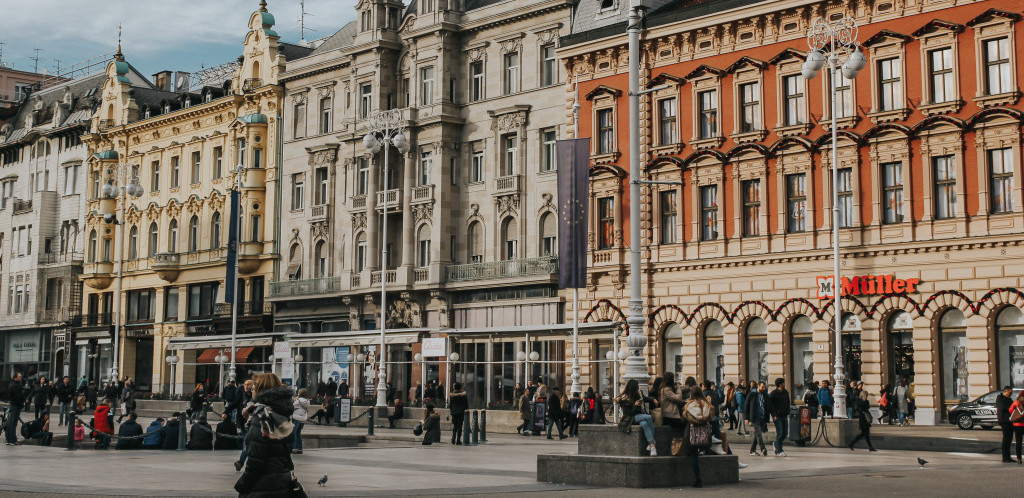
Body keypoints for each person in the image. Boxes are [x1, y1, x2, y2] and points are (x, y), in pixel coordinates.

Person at [234, 372, 302, 498]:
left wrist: (242, 485)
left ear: (260, 391)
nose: (252, 391)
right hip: (283, 484)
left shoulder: (260, 419)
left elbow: (255, 462)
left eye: (254, 388)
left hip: (262, 487)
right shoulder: (283, 416)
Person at [683, 386, 716, 488]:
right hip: (704, 433)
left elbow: (684, 418)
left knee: (692, 454)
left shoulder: (689, 405)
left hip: (692, 433)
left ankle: (698, 479)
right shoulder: (706, 404)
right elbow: (711, 418)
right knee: (698, 452)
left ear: (691, 394)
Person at [617, 379, 658, 456]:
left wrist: (653, 399)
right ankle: (652, 441)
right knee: (648, 417)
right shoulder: (624, 398)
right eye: (637, 387)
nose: (638, 388)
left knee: (645, 424)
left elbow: (646, 398)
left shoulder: (638, 394)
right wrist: (635, 406)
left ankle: (652, 446)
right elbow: (629, 413)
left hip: (639, 416)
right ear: (633, 388)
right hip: (629, 418)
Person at [746, 381, 769, 456]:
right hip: (754, 417)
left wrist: (773, 414)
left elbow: (769, 405)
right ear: (758, 386)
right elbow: (746, 406)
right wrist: (746, 418)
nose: (764, 388)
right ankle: (763, 448)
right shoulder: (752, 394)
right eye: (762, 387)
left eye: (764, 387)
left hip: (762, 417)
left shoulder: (764, 394)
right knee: (759, 433)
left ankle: (752, 450)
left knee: (757, 434)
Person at [768, 378, 790, 457]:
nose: (785, 384)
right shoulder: (773, 393)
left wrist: (788, 411)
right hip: (777, 416)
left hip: (784, 415)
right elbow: (770, 406)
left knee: (785, 433)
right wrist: (773, 415)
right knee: (780, 433)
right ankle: (779, 451)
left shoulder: (786, 392)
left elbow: (788, 402)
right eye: (784, 383)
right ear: (780, 384)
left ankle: (776, 443)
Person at [4, 372, 26, 445]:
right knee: (13, 423)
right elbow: (18, 396)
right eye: (19, 376)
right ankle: (13, 440)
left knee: (10, 423)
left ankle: (8, 439)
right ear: (15, 377)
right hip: (16, 405)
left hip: (13, 405)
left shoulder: (11, 384)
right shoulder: (16, 385)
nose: (21, 378)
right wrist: (22, 404)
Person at [997, 386, 1015, 463]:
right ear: (1005, 391)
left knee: (1009, 439)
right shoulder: (1000, 398)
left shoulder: (1008, 399)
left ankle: (1008, 457)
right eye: (1010, 393)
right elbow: (1004, 408)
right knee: (1006, 439)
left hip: (1010, 421)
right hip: (1004, 421)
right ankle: (1005, 457)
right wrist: (1012, 406)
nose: (1011, 395)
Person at [292, 388, 310, 454]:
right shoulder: (307, 401)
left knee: (294, 433)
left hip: (297, 418)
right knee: (298, 433)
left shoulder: (298, 400)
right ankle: (300, 448)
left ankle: (294, 448)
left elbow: (292, 406)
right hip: (302, 419)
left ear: (300, 394)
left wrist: (294, 400)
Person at [1010, 391, 1024, 465]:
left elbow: (1010, 410)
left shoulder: (1016, 402)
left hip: (1017, 424)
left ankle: (1019, 459)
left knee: (1018, 442)